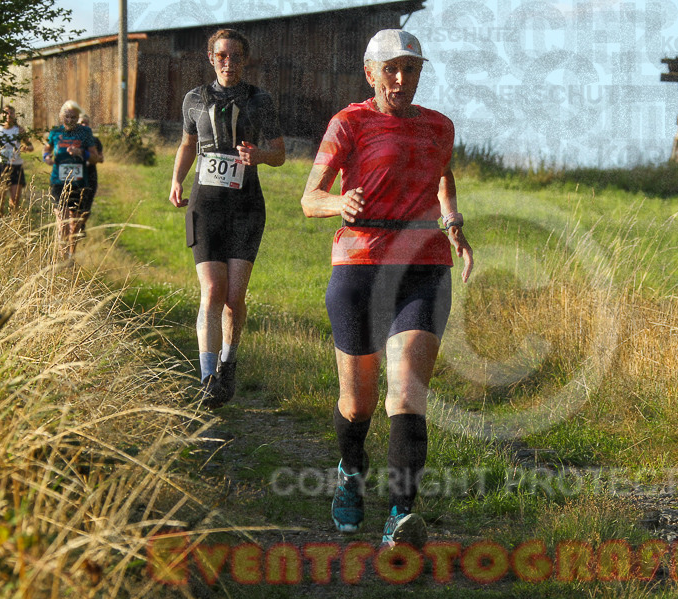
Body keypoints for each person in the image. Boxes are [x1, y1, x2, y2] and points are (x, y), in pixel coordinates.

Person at [301, 29, 473, 549]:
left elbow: (442, 177)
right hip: (360, 265)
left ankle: (400, 517)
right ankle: (351, 473)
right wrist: (339, 204)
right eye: (392, 69)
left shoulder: (439, 127)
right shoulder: (348, 123)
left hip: (423, 267)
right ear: (370, 73)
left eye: (412, 69)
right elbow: (310, 197)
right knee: (358, 402)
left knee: (407, 393)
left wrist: (452, 221)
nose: (402, 79)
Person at [169, 28, 285, 408]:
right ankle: (207, 379)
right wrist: (175, 181)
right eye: (222, 56)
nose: (228, 63)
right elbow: (188, 144)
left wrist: (260, 157)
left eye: (235, 56)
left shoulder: (260, 100)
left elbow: (280, 152)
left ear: (245, 60)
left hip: (247, 207)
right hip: (206, 205)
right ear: (211, 58)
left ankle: (228, 364)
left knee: (235, 298)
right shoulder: (193, 100)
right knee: (212, 292)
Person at [43, 101, 99, 260]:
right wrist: (46, 157)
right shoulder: (55, 132)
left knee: (74, 225)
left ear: (77, 117)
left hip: (79, 183)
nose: (70, 120)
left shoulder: (85, 132)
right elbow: (47, 148)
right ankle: (63, 259)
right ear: (61, 116)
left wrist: (81, 152)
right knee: (63, 223)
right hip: (58, 182)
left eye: (73, 117)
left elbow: (95, 158)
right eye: (66, 116)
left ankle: (71, 255)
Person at [0, 105, 33, 214]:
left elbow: (30, 146)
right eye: (5, 113)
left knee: (14, 201)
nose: (8, 115)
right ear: (2, 115)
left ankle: (13, 224)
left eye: (11, 113)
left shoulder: (19, 130)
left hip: (15, 166)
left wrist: (25, 148)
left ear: (14, 115)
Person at [76, 113, 104, 235]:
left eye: (86, 123)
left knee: (87, 206)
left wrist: (93, 157)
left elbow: (101, 159)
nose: (84, 125)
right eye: (81, 122)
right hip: (76, 175)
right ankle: (74, 228)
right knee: (76, 204)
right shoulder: (73, 140)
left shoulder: (95, 141)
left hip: (91, 174)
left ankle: (82, 224)